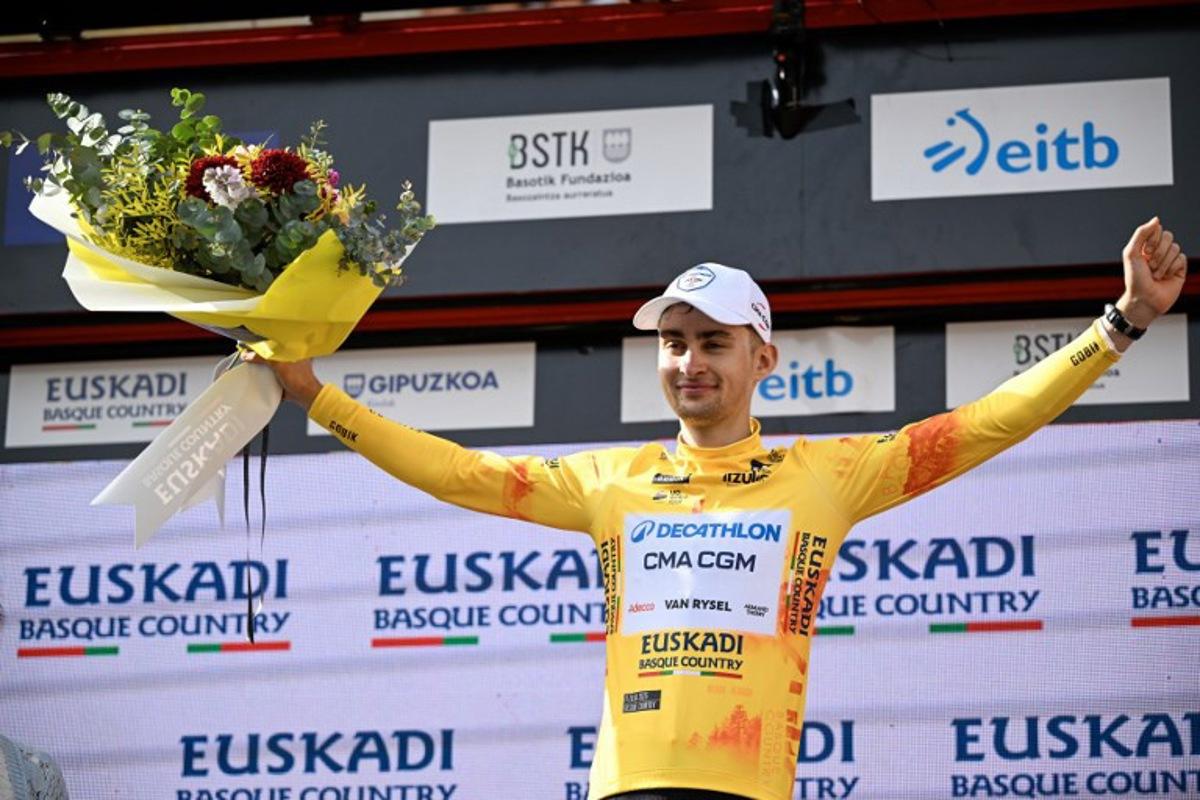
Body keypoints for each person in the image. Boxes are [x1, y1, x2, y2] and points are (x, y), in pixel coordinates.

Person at [255, 217, 1187, 800]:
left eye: (712, 341)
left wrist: (1122, 324)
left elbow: (982, 424)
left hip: (753, 789)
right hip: (625, 789)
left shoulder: (830, 474)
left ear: (762, 359)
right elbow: (457, 472)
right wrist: (316, 398)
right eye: (671, 343)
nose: (688, 361)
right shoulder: (607, 482)